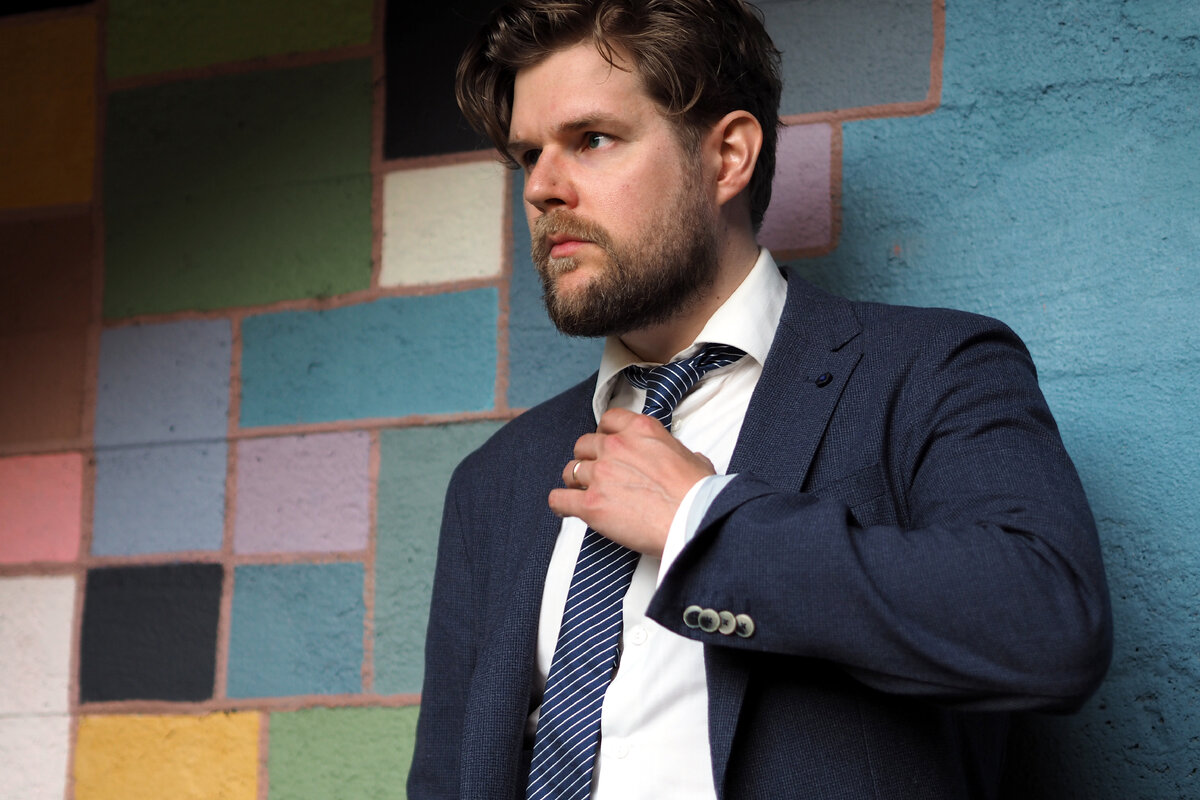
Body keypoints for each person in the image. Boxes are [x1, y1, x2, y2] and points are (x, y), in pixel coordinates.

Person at [408, 1, 1113, 798]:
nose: (541, 188)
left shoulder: (929, 371)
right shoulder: (494, 481)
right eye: (528, 155)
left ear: (728, 156)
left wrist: (699, 523)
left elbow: (1052, 625)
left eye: (592, 139)